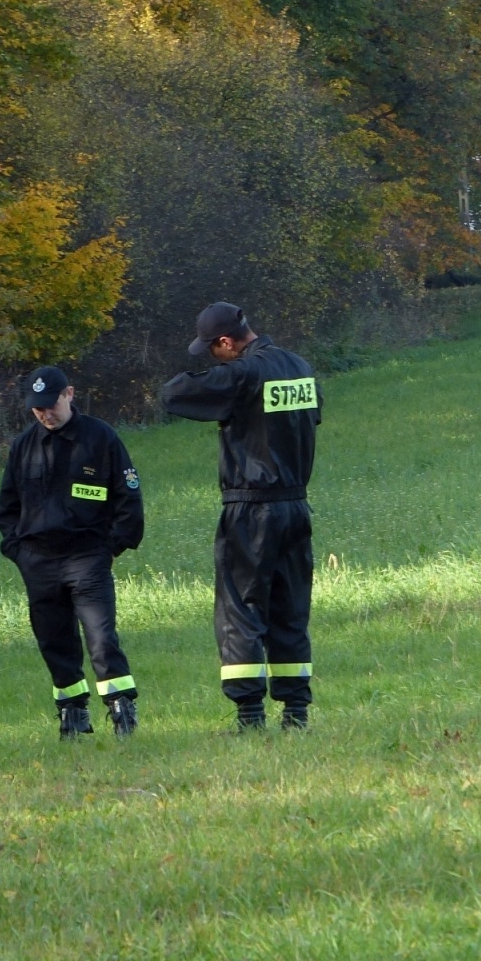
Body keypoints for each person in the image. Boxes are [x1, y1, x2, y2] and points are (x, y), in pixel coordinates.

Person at [160, 303, 321, 730]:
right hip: (296, 506)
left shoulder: (244, 373)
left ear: (226, 342)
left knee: (240, 609)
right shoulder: (299, 366)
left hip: (250, 507)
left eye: (212, 349)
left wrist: (219, 379)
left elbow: (174, 393)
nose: (212, 357)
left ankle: (249, 714)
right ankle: (296, 713)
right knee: (290, 608)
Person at [0, 366, 144, 738]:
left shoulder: (100, 438)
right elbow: (7, 506)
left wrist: (111, 546)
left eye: (51, 405)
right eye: (37, 409)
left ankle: (122, 710)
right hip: (38, 560)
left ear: (69, 394)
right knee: (54, 641)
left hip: (87, 556)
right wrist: (18, 550)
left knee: (100, 637)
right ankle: (72, 715)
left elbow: (129, 496)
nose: (45, 414)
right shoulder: (23, 447)